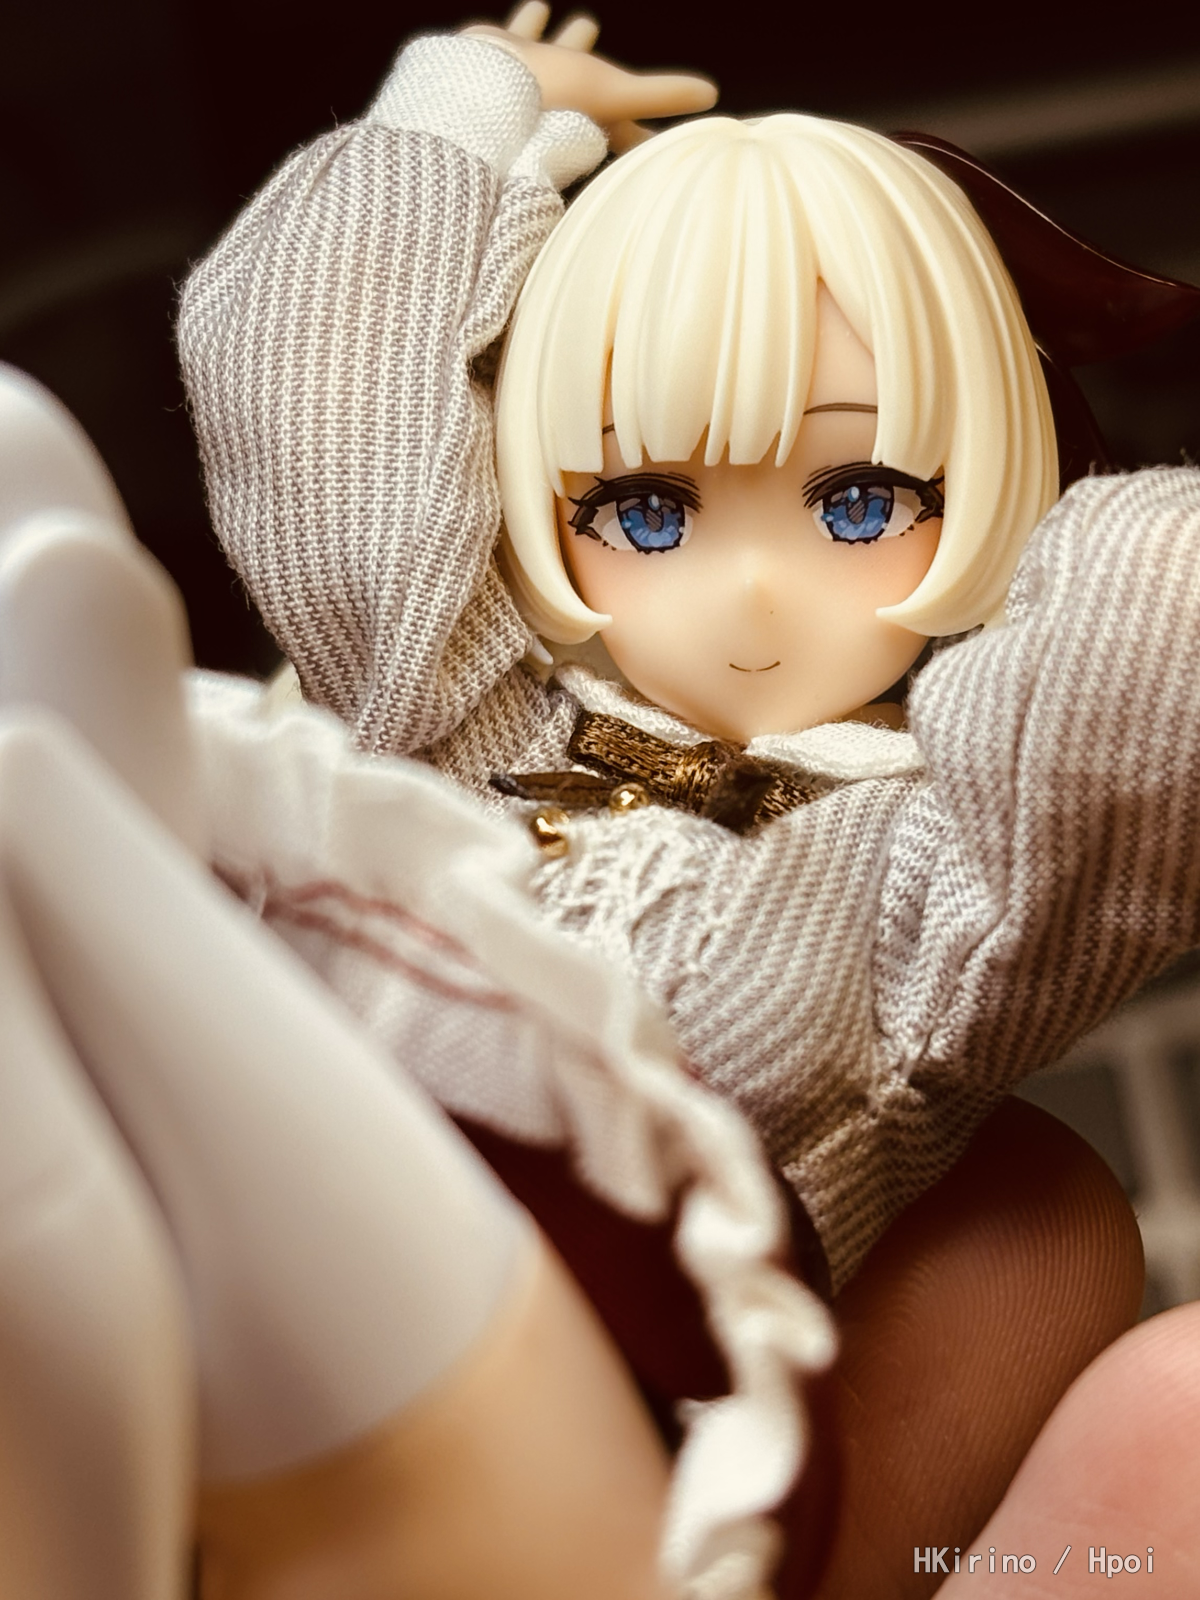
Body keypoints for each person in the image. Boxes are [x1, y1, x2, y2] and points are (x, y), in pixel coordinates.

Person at [179, 3, 1200, 1309]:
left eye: (860, 505)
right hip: (252, 1197)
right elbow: (323, 425)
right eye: (648, 511)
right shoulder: (469, 698)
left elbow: (1144, 660)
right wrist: (465, 105)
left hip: (635, 1328)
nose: (753, 594)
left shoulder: (924, 865)